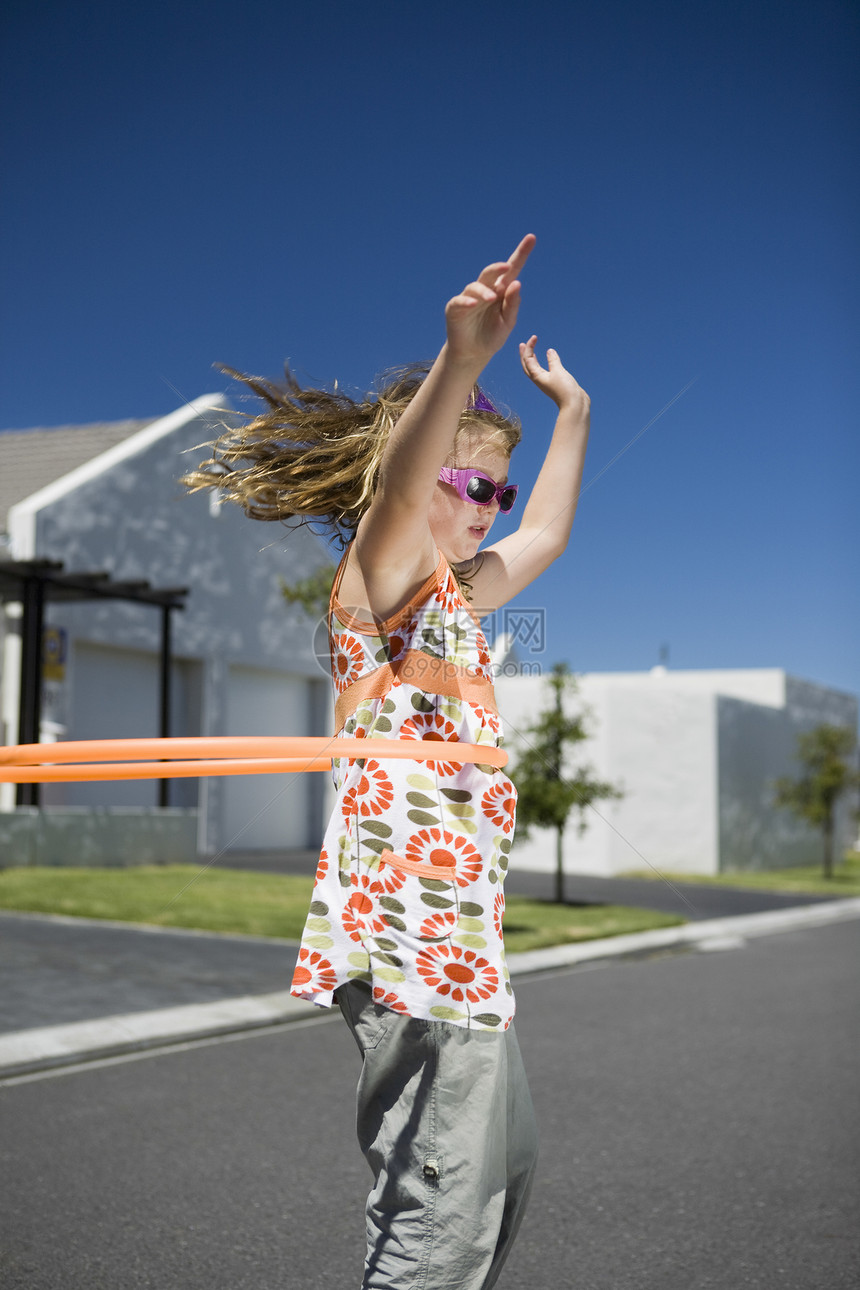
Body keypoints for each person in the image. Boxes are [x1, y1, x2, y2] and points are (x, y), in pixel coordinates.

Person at [184, 234, 590, 1289]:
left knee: (497, 1174)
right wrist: (458, 360)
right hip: (410, 941)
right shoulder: (384, 580)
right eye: (470, 484)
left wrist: (572, 417)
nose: (485, 509)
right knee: (437, 1205)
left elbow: (544, 534)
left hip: (463, 942)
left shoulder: (456, 594)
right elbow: (404, 501)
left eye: (493, 495)